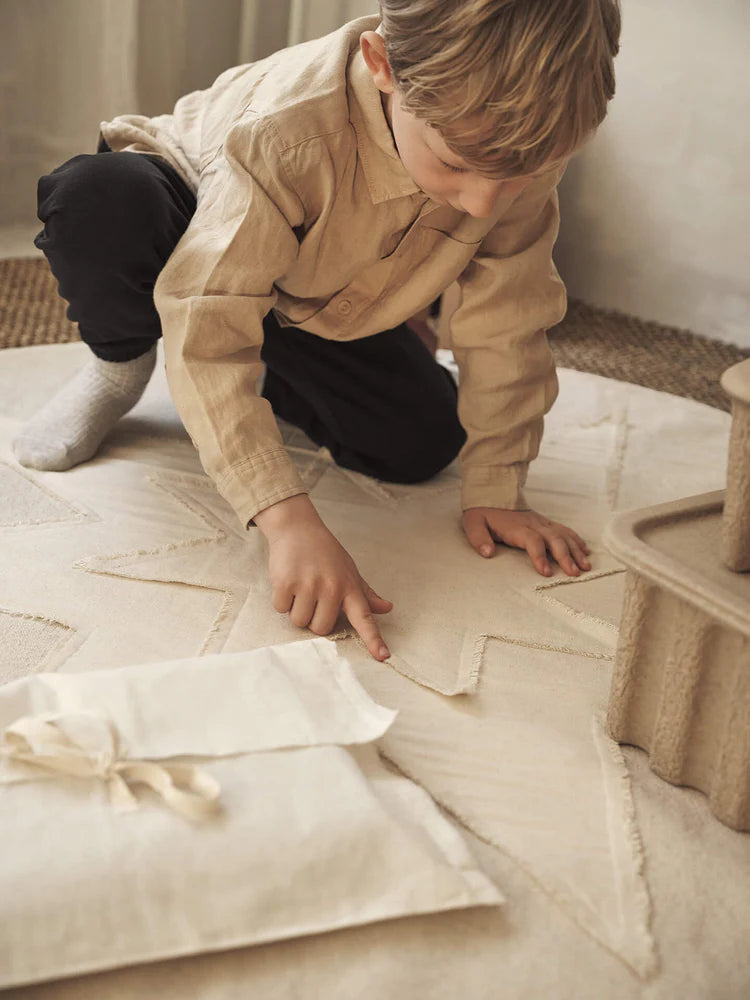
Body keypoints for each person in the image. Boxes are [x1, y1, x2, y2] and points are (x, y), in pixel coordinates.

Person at [13, 0, 621, 661]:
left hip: (314, 294)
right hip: (191, 233)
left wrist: (499, 484)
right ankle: (117, 361)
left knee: (421, 443)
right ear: (382, 66)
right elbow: (210, 305)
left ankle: (266, 382)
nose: (483, 205)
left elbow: (511, 312)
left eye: (516, 180)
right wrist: (285, 517)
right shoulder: (286, 128)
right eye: (454, 165)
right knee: (99, 199)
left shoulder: (518, 144)